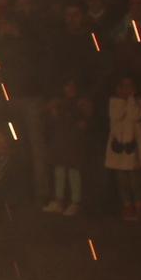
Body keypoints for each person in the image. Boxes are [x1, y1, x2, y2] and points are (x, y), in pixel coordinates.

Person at [43, 77, 93, 216]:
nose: (69, 89)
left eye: (72, 86)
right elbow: (52, 120)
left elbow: (84, 122)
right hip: (61, 141)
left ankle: (75, 202)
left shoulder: (81, 103)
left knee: (73, 171)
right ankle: (59, 201)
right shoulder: (59, 103)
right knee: (59, 170)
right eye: (67, 86)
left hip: (74, 143)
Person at [105, 75, 141, 220]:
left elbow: (134, 115)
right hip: (119, 146)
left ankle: (139, 206)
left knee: (136, 177)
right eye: (123, 86)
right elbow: (116, 115)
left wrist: (131, 99)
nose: (126, 89)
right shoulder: (114, 103)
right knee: (121, 177)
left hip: (134, 147)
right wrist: (122, 100)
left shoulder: (140, 103)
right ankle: (127, 205)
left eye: (129, 86)